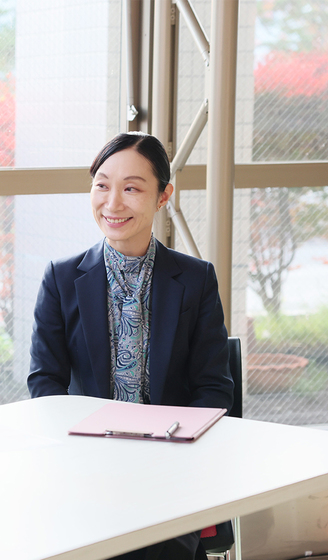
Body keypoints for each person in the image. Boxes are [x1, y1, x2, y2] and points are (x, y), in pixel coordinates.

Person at [27, 132, 233, 560]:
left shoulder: (196, 279)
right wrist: (83, 454)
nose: (113, 203)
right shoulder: (61, 279)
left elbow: (213, 387)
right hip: (87, 470)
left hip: (171, 473)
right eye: (101, 185)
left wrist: (176, 454)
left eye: (132, 189)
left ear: (163, 196)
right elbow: (45, 383)